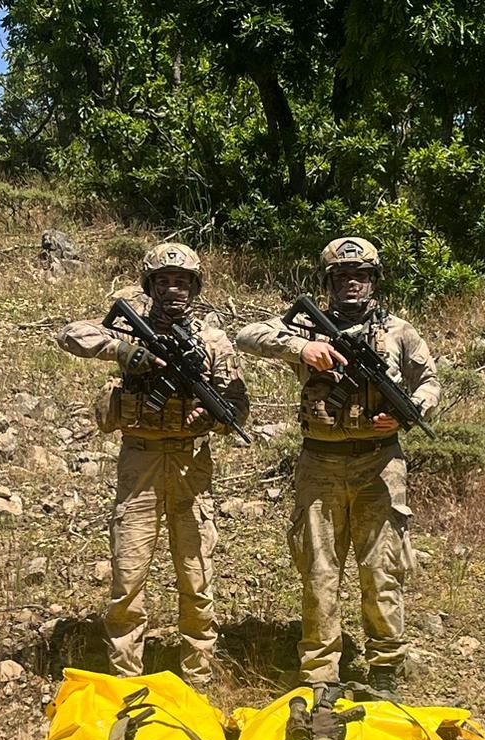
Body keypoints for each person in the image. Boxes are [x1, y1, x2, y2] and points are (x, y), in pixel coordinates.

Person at [235, 237, 439, 696]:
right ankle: (321, 670)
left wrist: (411, 412)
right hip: (320, 464)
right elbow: (247, 336)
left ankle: (385, 666)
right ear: (328, 281)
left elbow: (428, 381)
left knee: (382, 569)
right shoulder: (307, 327)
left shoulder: (400, 331)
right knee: (319, 569)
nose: (352, 283)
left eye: (361, 275)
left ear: (373, 280)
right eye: (342, 276)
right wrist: (301, 350)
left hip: (380, 463)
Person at [55, 243, 248, 688]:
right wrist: (126, 354)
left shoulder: (213, 340)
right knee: (129, 571)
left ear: (195, 288)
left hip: (189, 463)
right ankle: (125, 676)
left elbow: (237, 404)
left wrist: (214, 418)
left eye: (183, 282)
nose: (174, 290)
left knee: (196, 571)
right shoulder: (131, 331)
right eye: (164, 281)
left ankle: (198, 673)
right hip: (139, 458)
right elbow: (71, 335)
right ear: (150, 286)